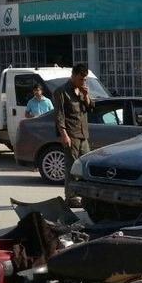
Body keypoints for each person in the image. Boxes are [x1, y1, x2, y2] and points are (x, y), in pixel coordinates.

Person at [53, 64, 94, 208]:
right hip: (71, 135)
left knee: (85, 167)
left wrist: (86, 95)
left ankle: (84, 194)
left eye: (85, 79)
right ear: (74, 75)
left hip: (83, 134)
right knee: (72, 167)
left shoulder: (82, 91)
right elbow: (59, 116)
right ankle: (70, 197)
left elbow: (90, 108)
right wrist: (64, 135)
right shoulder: (61, 92)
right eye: (81, 79)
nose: (84, 82)